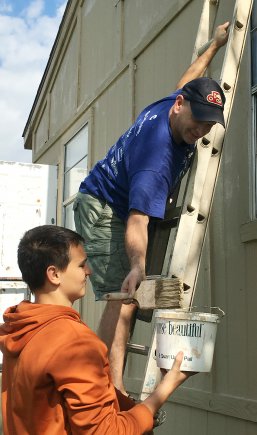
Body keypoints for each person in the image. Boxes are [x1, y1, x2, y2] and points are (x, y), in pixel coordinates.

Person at [73, 22, 230, 395]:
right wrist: (138, 267)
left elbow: (190, 77)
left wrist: (215, 45)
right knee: (125, 298)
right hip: (104, 206)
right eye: (199, 121)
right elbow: (138, 219)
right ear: (180, 107)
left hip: (121, 200)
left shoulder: (174, 104)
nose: (202, 131)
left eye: (210, 124)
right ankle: (109, 390)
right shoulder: (155, 161)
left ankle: (107, 381)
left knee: (130, 297)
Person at [0, 225, 194, 435]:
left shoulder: (21, 327)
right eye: (82, 265)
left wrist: (131, 407)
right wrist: (168, 385)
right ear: (54, 274)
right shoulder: (73, 341)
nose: (89, 271)